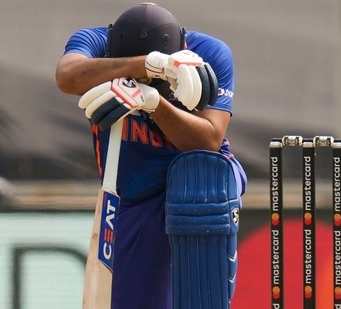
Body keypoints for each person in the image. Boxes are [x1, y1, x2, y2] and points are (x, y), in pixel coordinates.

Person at [55, 3, 247, 309]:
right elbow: (67, 77)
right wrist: (147, 66)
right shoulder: (96, 42)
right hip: (132, 192)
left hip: (201, 179)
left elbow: (210, 139)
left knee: (200, 180)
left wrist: (152, 101)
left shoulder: (210, 52)